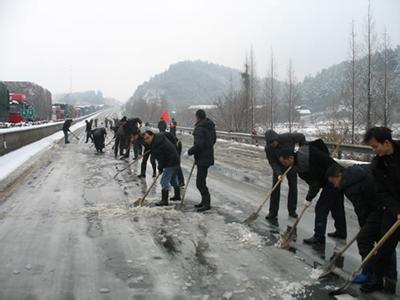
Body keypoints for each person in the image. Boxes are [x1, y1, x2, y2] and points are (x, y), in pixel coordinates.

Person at [327, 163, 397, 288]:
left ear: (339, 175)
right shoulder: (356, 170)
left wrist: (363, 224)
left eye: (334, 182)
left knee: (366, 239)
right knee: (385, 240)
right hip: (384, 205)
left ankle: (368, 272)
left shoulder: (349, 187)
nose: (335, 186)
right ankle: (390, 275)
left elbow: (361, 209)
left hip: (383, 207)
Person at [278, 142, 347, 249]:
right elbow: (319, 143)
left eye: (284, 162)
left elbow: (315, 185)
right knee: (337, 206)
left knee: (321, 208)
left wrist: (308, 198)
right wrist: (325, 159)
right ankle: (341, 232)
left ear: (291, 158)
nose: (284, 165)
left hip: (333, 179)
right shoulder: (305, 149)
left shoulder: (302, 167)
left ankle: (319, 237)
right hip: (339, 173)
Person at [359, 127, 400, 293]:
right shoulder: (378, 164)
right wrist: (396, 209)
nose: (374, 150)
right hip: (391, 207)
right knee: (384, 243)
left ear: (387, 142)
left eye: (375, 146)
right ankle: (377, 279)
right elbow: (381, 192)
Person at [264, 129, 306, 225]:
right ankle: (273, 212)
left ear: (276, 138)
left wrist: (301, 151)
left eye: (273, 142)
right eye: (270, 143)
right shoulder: (268, 148)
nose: (272, 144)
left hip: (291, 164)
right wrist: (279, 174)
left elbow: (302, 137)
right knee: (275, 189)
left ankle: (292, 211)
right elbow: (272, 162)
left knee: (293, 187)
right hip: (279, 166)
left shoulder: (287, 138)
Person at [187, 109, 216, 212]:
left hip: (203, 158)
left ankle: (206, 203)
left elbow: (199, 145)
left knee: (200, 182)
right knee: (201, 181)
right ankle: (204, 202)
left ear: (197, 117)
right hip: (207, 156)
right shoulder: (210, 127)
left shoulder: (199, 128)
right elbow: (213, 141)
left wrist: (189, 152)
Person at [143, 130, 180, 206]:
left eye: (148, 138)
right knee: (173, 180)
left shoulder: (158, 144)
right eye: (145, 139)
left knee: (164, 181)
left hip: (171, 162)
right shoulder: (157, 139)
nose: (147, 140)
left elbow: (161, 158)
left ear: (152, 135)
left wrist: (160, 168)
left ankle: (164, 200)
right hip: (174, 160)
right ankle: (177, 195)